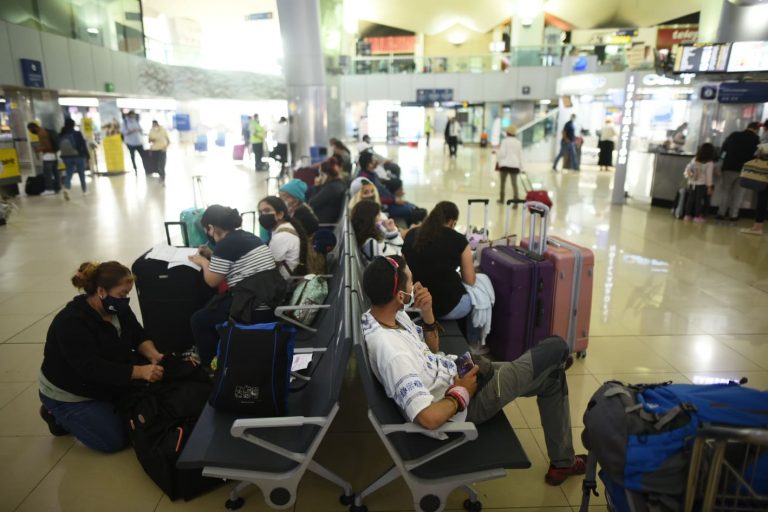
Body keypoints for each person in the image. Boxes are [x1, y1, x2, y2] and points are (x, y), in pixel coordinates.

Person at [361, 255, 585, 485]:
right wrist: (462, 392)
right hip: (469, 401)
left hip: (462, 369)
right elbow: (428, 418)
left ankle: (562, 462)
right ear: (400, 296)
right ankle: (556, 366)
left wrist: (427, 314)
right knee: (556, 347)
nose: (415, 287)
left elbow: (432, 349)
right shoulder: (393, 353)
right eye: (410, 283)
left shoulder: (388, 316)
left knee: (552, 379)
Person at [38, 261, 164, 453]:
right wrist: (139, 371)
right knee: (114, 441)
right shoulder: (71, 322)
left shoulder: (116, 309)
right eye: (122, 294)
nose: (125, 299)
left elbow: (137, 333)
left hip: (102, 378)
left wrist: (154, 355)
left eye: (127, 294)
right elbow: (90, 368)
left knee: (142, 416)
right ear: (101, 291)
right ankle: (54, 413)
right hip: (70, 392)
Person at [188, 205, 277, 365]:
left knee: (199, 319)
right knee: (213, 305)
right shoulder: (246, 236)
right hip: (266, 298)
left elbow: (212, 281)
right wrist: (212, 256)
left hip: (254, 308)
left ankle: (212, 366)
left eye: (207, 230)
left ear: (211, 227)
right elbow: (235, 261)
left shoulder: (226, 245)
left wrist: (203, 262)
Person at [402, 201, 480, 344]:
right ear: (452, 221)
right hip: (447, 307)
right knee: (477, 300)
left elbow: (407, 268)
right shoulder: (459, 240)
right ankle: (474, 343)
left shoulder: (412, 234)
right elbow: (470, 280)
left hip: (418, 302)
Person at [716, 122, 761, 221]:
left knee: (725, 191)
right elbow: (757, 156)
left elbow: (723, 150)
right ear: (756, 130)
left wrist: (721, 162)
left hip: (729, 167)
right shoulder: (756, 139)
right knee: (738, 194)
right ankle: (733, 215)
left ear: (747, 127)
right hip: (745, 170)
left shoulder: (734, 135)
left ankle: (721, 213)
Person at [258, 196, 309, 278]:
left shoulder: (281, 237)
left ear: (280, 214)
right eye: (260, 212)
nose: (262, 215)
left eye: (267, 211)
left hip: (285, 282)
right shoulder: (287, 227)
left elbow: (270, 267)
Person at [681, 143, 716, 223]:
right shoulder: (709, 163)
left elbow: (689, 169)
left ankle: (687, 215)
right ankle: (697, 217)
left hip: (691, 182)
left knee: (690, 199)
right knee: (699, 200)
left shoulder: (695, 159)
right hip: (701, 184)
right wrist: (709, 187)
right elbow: (709, 176)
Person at [307, 157, 347, 224]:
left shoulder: (331, 188)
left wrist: (316, 186)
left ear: (327, 175)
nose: (319, 177)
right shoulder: (340, 184)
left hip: (323, 224)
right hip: (328, 221)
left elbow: (311, 203)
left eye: (321, 174)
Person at [27, 122, 61, 196]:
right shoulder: (46, 131)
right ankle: (57, 187)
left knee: (47, 174)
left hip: (48, 156)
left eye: (30, 129)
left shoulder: (41, 133)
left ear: (34, 128)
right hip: (54, 155)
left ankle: (49, 189)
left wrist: (39, 149)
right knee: (55, 172)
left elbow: (47, 146)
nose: (30, 131)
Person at [58, 118, 89, 198]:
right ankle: (84, 190)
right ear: (73, 125)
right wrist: (87, 156)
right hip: (78, 156)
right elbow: (83, 145)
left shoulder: (61, 134)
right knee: (81, 173)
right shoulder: (77, 133)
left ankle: (67, 188)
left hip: (66, 157)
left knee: (69, 173)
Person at [741, 143, 768, 236]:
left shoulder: (764, 146)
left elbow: (757, 154)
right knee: (762, 202)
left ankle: (757, 227)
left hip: (764, 179)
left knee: (762, 202)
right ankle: (757, 226)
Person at [496, 126, 524, 205]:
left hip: (505, 165)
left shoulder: (505, 141)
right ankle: (516, 202)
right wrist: (522, 167)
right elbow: (520, 155)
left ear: (507, 133)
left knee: (503, 183)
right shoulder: (518, 142)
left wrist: (498, 160)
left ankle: (502, 199)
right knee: (514, 184)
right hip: (515, 166)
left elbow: (502, 153)